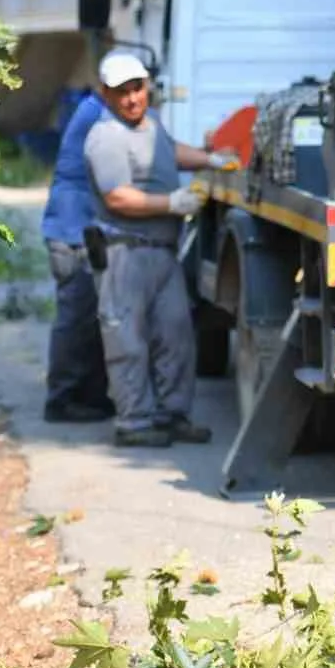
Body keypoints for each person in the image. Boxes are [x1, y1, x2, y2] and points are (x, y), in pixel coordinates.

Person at [83, 50, 234, 448]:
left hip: (162, 252)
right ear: (105, 94)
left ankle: (172, 415)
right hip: (125, 253)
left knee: (176, 336)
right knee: (127, 340)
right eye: (122, 93)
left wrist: (212, 159)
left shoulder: (149, 126)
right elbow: (117, 197)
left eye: (137, 88)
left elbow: (171, 151)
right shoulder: (107, 137)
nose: (132, 99)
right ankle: (134, 423)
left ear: (147, 86)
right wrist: (172, 204)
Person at [39, 86, 115, 423]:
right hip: (72, 234)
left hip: (78, 230)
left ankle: (91, 397)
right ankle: (62, 400)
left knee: (90, 318)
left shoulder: (94, 108)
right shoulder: (98, 115)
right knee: (76, 319)